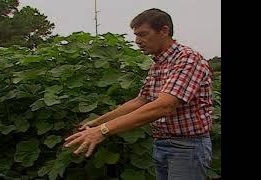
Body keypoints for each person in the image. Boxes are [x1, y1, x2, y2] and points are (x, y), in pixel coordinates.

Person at [64, 8, 213, 180]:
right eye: (135, 35)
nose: (137, 41)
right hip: (162, 144)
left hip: (187, 147)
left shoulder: (187, 59)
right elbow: (141, 100)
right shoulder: (158, 64)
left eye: (143, 34)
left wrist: (103, 130)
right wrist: (97, 122)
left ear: (164, 31)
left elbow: (165, 106)